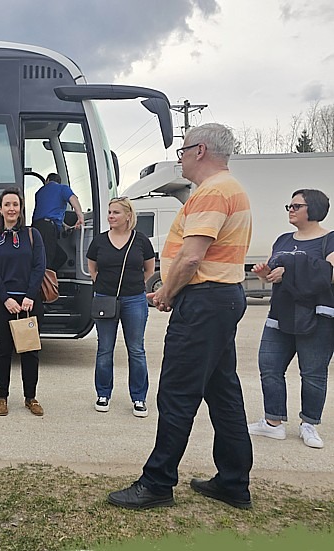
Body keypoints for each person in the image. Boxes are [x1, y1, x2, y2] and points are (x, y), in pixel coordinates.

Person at [108, 123, 254, 510]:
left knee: (176, 394)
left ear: (200, 150)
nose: (181, 159)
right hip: (219, 298)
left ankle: (157, 483)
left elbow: (192, 256)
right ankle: (234, 482)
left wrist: (169, 293)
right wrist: (172, 287)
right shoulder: (228, 188)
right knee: (223, 393)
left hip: (204, 303)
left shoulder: (212, 192)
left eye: (183, 152)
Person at [247, 189, 334, 449]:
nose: (291, 210)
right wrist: (265, 274)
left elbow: (329, 274)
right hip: (281, 314)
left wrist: (291, 268)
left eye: (297, 206)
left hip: (318, 315)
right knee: (269, 366)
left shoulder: (329, 239)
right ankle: (273, 422)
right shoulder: (283, 240)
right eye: (289, 205)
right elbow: (275, 274)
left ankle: (309, 424)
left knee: (313, 373)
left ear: (314, 209)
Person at [87, 197, 155, 417]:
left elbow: (149, 270)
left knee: (136, 350)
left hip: (134, 299)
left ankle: (139, 398)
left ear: (128, 215)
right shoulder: (99, 241)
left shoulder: (141, 240)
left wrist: (132, 286)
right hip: (105, 298)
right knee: (104, 349)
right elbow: (93, 268)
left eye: (115, 212)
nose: (110, 216)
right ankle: (103, 393)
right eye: (109, 212)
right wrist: (103, 286)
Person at [0, 188, 46, 417]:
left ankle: (31, 397)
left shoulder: (33, 235)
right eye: (7, 205)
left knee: (30, 351)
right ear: (0, 209)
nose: (11, 209)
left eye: (15, 204)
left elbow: (39, 267)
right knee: (2, 351)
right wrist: (6, 299)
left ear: (20, 209)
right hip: (3, 304)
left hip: (29, 303)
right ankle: (2, 397)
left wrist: (29, 295)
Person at [31, 173, 84, 271]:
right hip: (48, 230)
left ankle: (49, 280)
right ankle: (44, 283)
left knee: (60, 257)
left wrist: (64, 226)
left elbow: (48, 212)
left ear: (47, 180)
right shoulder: (62, 188)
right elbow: (73, 199)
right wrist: (80, 216)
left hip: (37, 228)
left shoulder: (39, 192)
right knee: (47, 261)